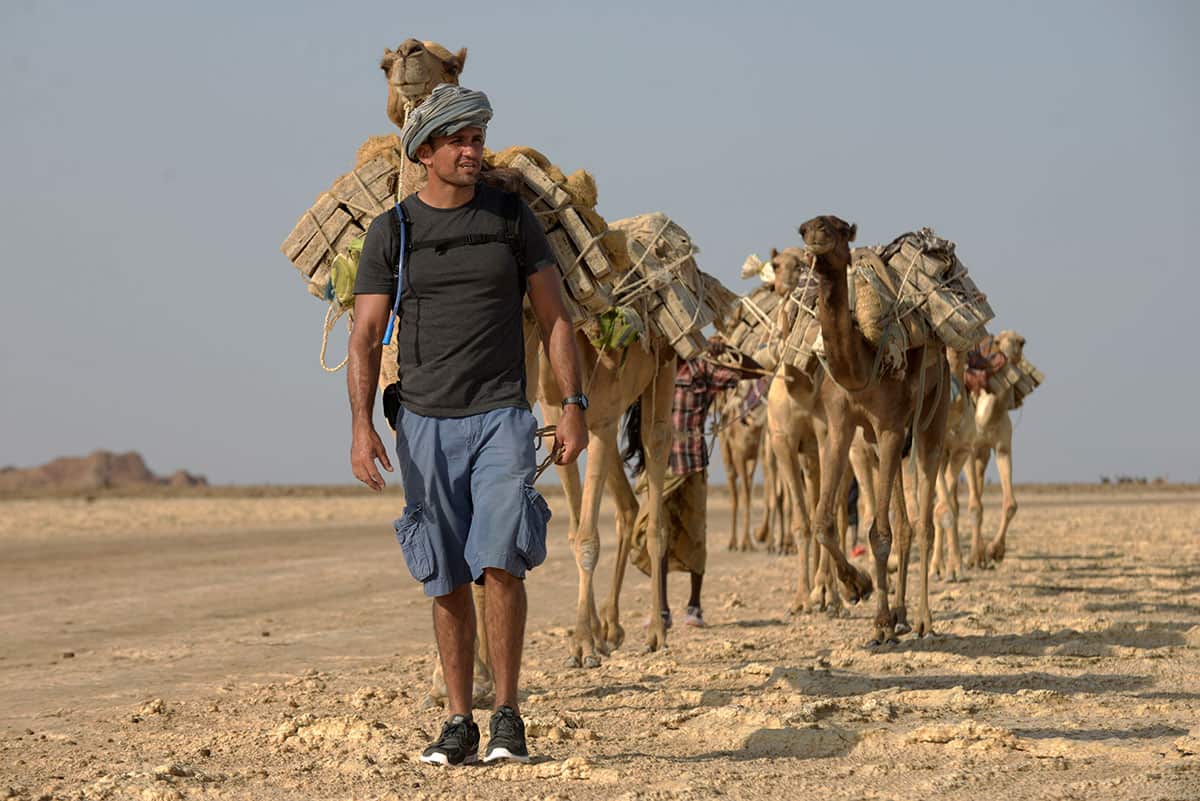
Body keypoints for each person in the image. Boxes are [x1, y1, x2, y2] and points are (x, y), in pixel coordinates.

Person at [346, 84, 586, 767]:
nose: (472, 150)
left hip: (504, 416)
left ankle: (507, 713)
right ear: (425, 151)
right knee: (446, 573)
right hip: (423, 423)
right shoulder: (394, 231)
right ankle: (459, 721)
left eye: (478, 138)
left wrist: (574, 404)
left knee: (501, 560)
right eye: (458, 140)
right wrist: (361, 427)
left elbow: (555, 317)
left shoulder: (511, 218)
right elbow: (365, 335)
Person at [628, 337, 762, 628]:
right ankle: (661, 608)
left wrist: (728, 351)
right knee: (653, 533)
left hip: (691, 463)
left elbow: (755, 372)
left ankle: (694, 606)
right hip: (657, 465)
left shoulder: (700, 368)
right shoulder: (648, 367)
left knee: (696, 533)